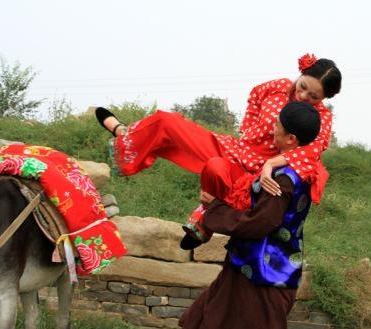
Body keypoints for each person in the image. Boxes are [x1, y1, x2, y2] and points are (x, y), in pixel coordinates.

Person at [95, 54, 341, 212]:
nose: (302, 96)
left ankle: (203, 219)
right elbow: (255, 96)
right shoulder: (277, 87)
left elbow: (312, 151)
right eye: (303, 87)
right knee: (167, 122)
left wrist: (271, 164)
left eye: (313, 97)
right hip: (236, 150)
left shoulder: (321, 118)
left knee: (216, 170)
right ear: (300, 75)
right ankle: (123, 133)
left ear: (324, 99)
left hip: (257, 174)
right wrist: (248, 128)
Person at [178, 101, 321, 329]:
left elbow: (259, 223)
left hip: (263, 277)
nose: (273, 128)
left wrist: (215, 208)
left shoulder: (282, 180)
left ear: (291, 139)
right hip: (250, 265)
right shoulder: (299, 168)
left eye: (277, 124)